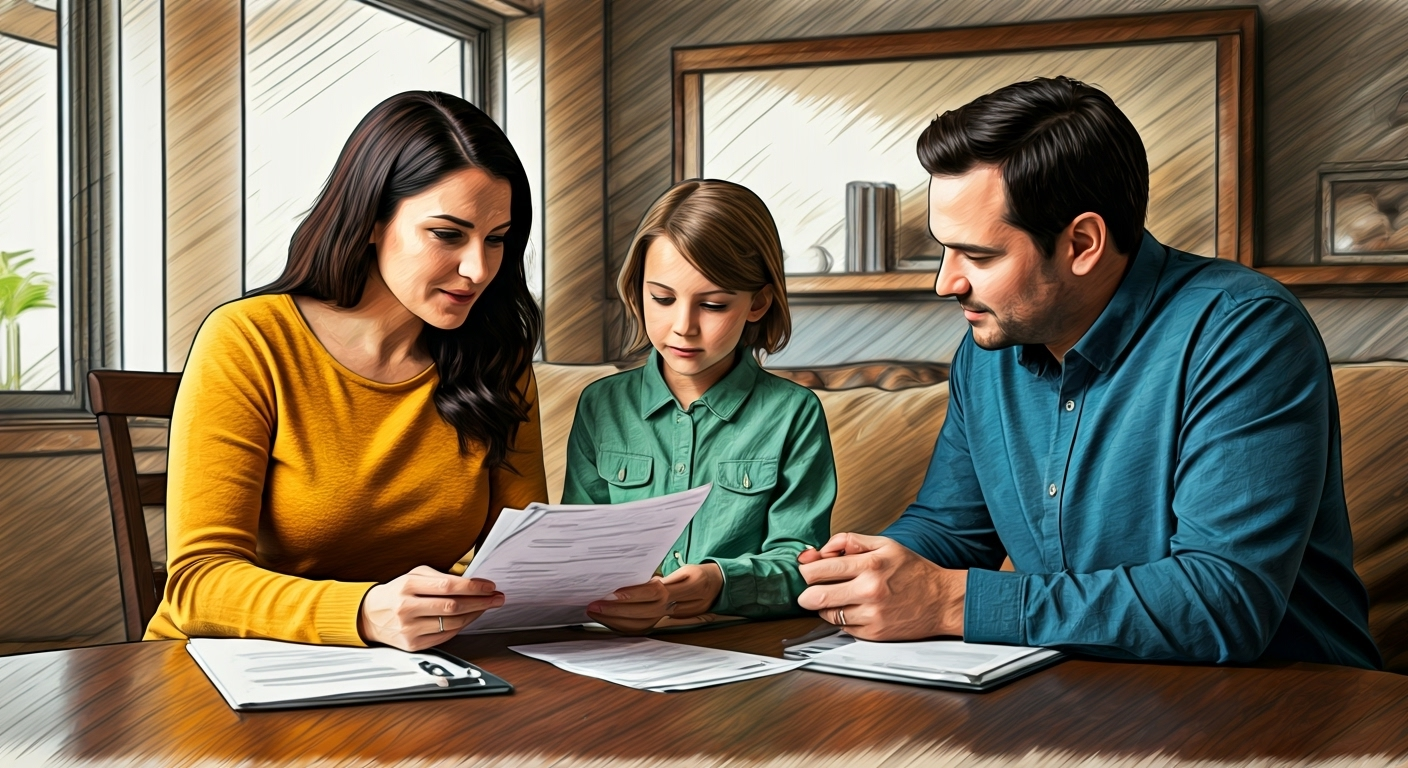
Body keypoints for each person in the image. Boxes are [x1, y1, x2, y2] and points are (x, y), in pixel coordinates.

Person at [797, 77, 1382, 669]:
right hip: (1079, 692)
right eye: (944, 249)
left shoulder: (1244, 332)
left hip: (1285, 708)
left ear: (1082, 242)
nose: (946, 282)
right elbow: (952, 529)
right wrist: (874, 571)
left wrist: (952, 601)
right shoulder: (989, 346)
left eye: (978, 255)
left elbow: (1222, 603)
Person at [145, 91, 656, 651]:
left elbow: (514, 556)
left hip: (418, 666)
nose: (478, 269)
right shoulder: (251, 339)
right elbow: (198, 584)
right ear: (370, 220)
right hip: (233, 668)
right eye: (447, 234)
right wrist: (363, 612)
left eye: (497, 240)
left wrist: (598, 594)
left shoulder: (495, 355)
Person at [561, 179, 836, 630]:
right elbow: (578, 544)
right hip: (612, 646)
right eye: (662, 299)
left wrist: (721, 582)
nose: (683, 326)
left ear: (758, 303)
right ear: (638, 290)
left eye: (712, 304)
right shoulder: (601, 405)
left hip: (738, 647)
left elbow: (801, 565)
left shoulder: (794, 414)